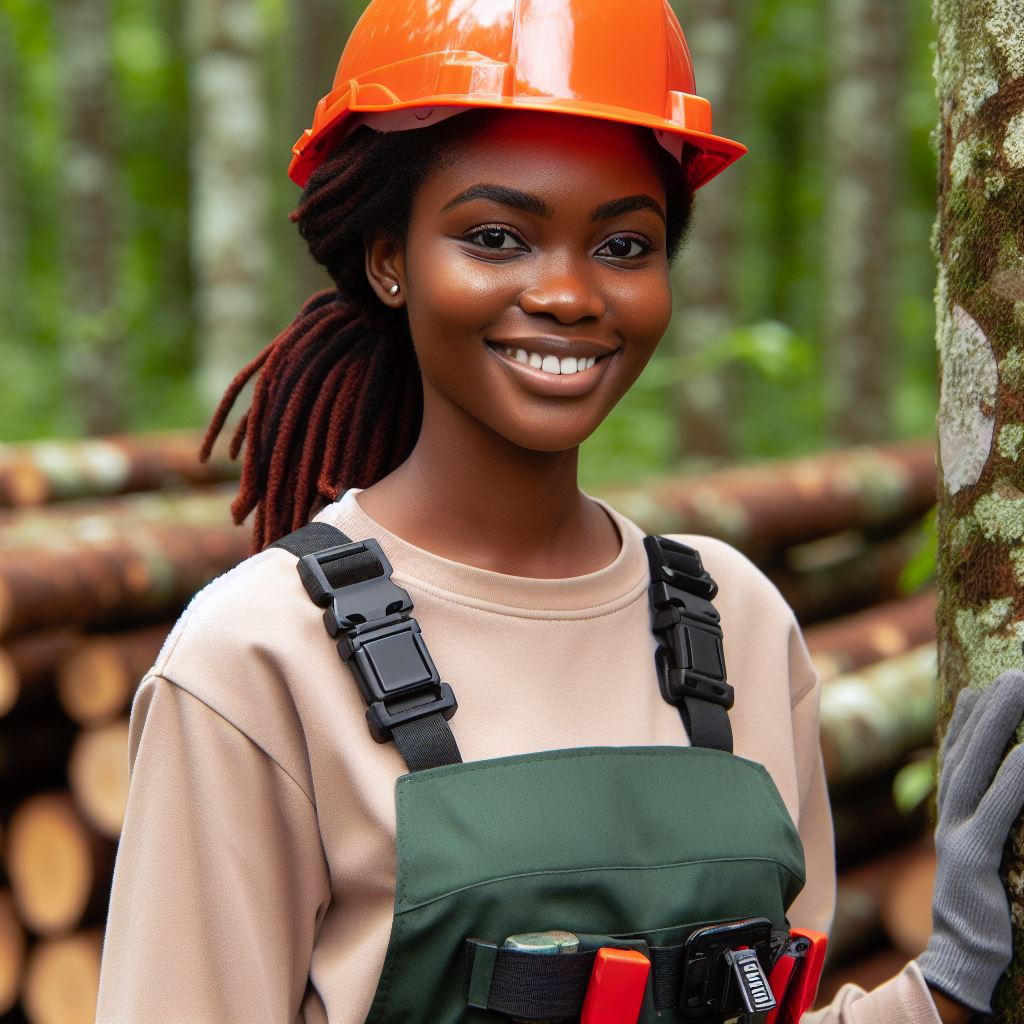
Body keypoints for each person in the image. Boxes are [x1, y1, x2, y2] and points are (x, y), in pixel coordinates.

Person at [96, 1, 1024, 1022]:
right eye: (496, 237)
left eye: (624, 245)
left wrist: (948, 985)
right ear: (387, 257)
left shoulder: (735, 623)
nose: (569, 293)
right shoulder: (255, 660)